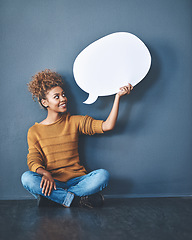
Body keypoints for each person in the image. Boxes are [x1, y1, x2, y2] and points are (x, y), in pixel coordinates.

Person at [21, 69, 133, 208]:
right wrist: (45, 173)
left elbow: (107, 125)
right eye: (57, 97)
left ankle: (56, 199)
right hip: (52, 182)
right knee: (27, 178)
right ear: (45, 102)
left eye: (63, 94)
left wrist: (118, 97)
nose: (63, 99)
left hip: (78, 181)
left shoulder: (75, 121)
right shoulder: (34, 131)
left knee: (102, 175)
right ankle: (76, 200)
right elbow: (33, 159)